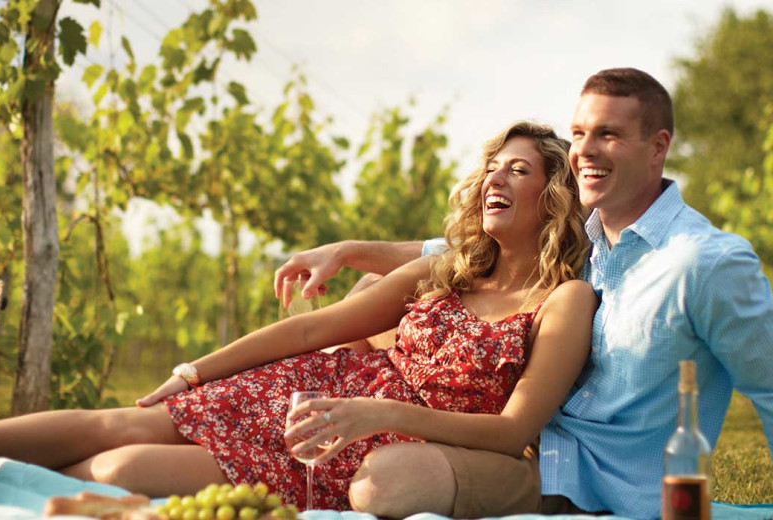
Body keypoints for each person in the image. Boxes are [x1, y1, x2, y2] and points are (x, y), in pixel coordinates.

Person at [0, 122, 597, 514]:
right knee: (114, 423)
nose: (496, 176)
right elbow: (311, 330)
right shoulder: (450, 269)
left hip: (353, 444)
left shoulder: (563, 300)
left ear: (553, 197)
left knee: (123, 467)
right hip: (305, 394)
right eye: (494, 165)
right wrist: (192, 371)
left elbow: (510, 430)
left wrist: (380, 415)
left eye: (519, 169)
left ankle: (29, 496)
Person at [274, 68, 773, 519]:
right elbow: (458, 251)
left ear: (658, 146)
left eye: (609, 135)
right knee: (375, 292)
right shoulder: (589, 233)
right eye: (579, 134)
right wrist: (347, 250)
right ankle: (297, 433)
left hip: (602, 484)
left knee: (387, 481)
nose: (585, 151)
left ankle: (325, 450)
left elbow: (769, 385)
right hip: (531, 440)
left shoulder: (703, 263)